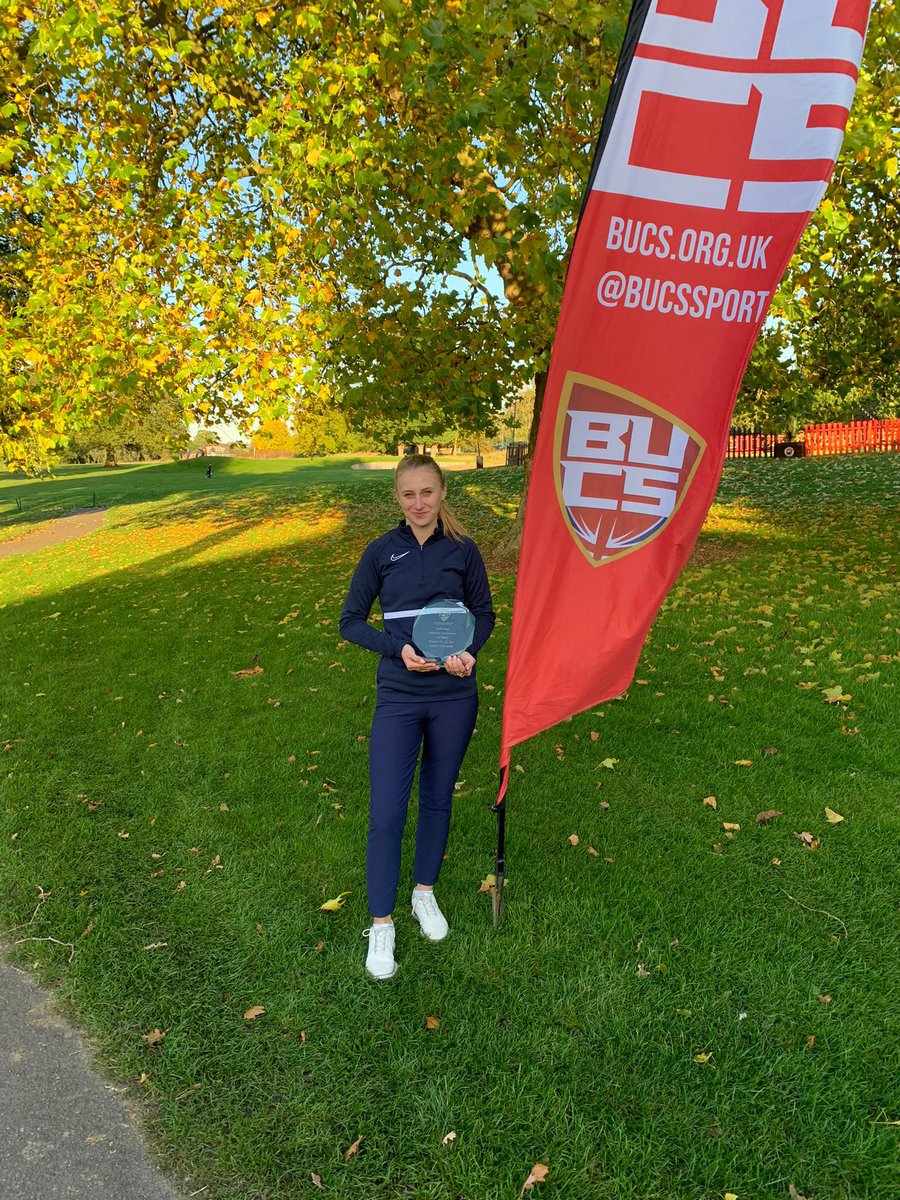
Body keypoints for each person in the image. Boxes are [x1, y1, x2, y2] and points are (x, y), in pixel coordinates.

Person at [339, 454, 495, 980]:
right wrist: (394, 648)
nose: (419, 503)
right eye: (409, 494)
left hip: (454, 693)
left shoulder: (464, 551)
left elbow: (485, 613)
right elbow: (350, 622)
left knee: (436, 797)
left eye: (427, 492)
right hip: (400, 695)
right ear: (397, 498)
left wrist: (470, 650)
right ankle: (381, 922)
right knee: (386, 811)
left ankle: (423, 893)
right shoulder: (381, 552)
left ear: (443, 491)